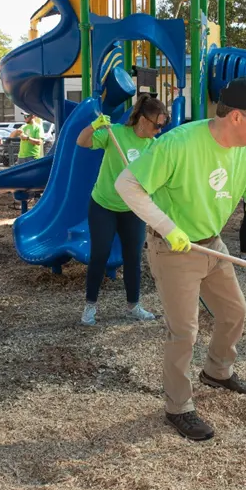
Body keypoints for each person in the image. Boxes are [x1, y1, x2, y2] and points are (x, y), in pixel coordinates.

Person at [115, 76, 246, 441]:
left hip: (212, 245)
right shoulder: (179, 143)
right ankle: (178, 407)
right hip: (174, 248)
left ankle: (218, 371)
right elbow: (127, 184)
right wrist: (167, 226)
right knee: (184, 332)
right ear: (237, 117)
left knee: (234, 313)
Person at [76, 94, 167, 326]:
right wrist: (93, 126)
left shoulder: (154, 147)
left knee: (133, 257)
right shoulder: (115, 132)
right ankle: (90, 306)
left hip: (132, 209)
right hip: (103, 205)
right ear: (144, 120)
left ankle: (133, 306)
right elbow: (82, 142)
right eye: (157, 125)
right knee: (100, 254)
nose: (159, 130)